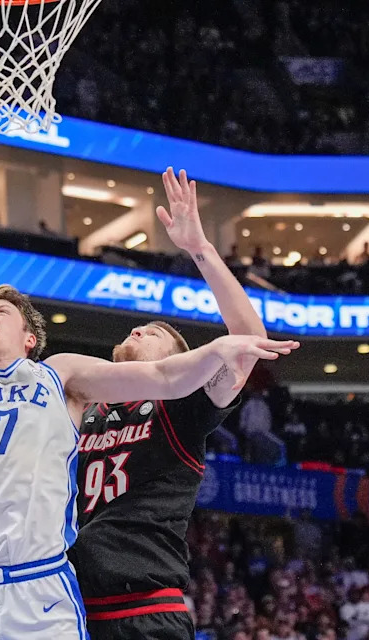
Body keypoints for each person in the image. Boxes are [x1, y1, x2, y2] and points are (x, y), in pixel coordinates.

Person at [0, 96, 298, 639]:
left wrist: (214, 334)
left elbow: (186, 371)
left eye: (0, 312)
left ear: (31, 338)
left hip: (71, 591)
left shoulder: (66, 377)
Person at [68, 168, 273, 640]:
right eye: (137, 328)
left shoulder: (179, 409)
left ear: (182, 362)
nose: (139, 328)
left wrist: (199, 248)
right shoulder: (83, 406)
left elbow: (248, 342)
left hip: (144, 606)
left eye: (157, 332)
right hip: (71, 606)